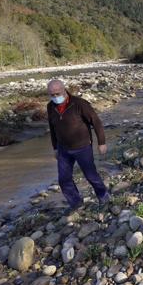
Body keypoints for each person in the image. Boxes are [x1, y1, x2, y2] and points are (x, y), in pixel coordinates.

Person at [46, 79, 110, 211]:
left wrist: (101, 142)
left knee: (91, 176)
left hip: (83, 147)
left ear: (64, 90)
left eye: (57, 93)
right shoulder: (50, 106)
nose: (55, 97)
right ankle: (76, 203)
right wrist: (55, 148)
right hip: (63, 149)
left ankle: (103, 196)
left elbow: (96, 122)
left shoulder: (79, 104)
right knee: (64, 179)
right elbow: (52, 129)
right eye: (52, 94)